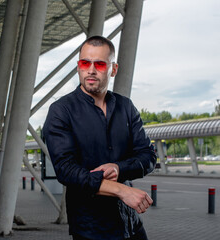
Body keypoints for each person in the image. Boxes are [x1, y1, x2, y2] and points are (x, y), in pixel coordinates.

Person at [43, 35, 156, 240]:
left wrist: (119, 168)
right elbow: (66, 171)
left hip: (131, 225)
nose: (91, 70)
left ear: (113, 69)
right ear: (78, 66)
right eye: (85, 63)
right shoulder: (61, 111)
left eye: (100, 64)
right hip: (91, 229)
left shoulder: (126, 107)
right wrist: (122, 190)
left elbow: (148, 156)